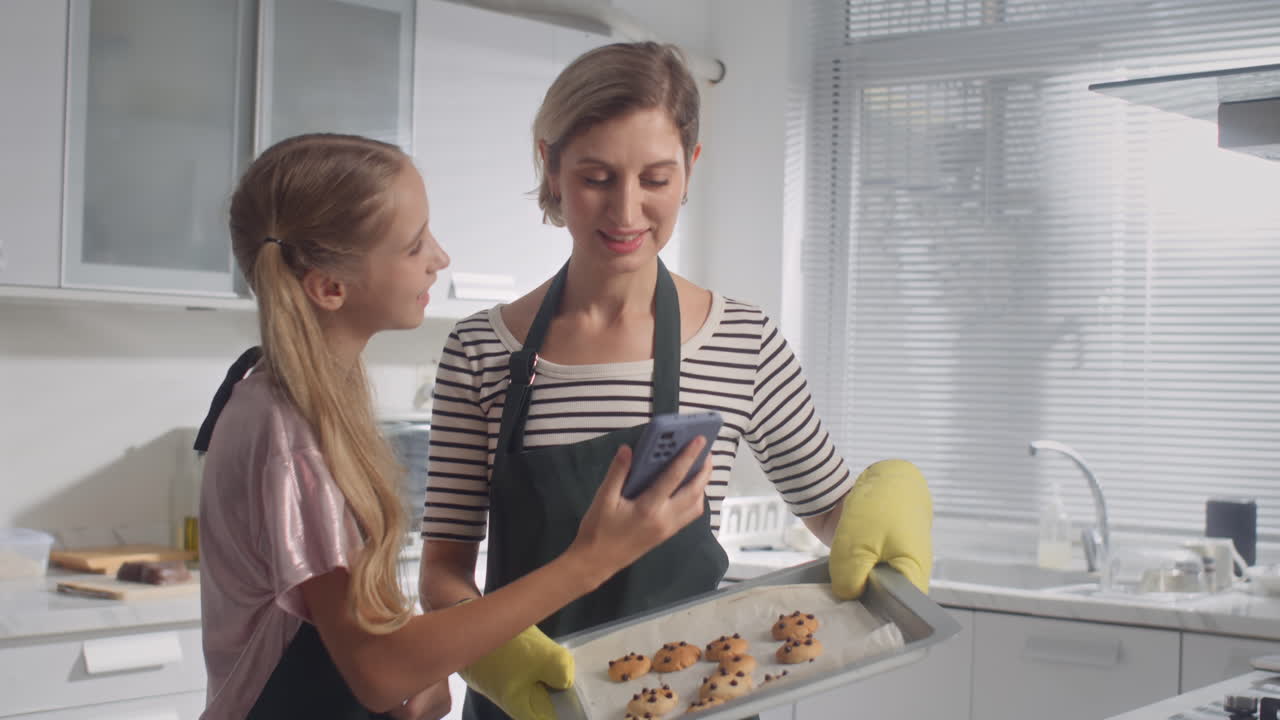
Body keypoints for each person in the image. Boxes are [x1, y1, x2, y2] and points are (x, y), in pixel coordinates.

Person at [418, 42, 935, 720]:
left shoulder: (742, 342)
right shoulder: (482, 351)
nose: (626, 211)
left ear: (690, 169)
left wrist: (886, 503)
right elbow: (443, 572)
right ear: (551, 166)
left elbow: (835, 518)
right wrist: (499, 655)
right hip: (530, 708)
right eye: (597, 177)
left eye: (655, 179)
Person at [194, 133, 714, 720]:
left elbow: (369, 645)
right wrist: (590, 560)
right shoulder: (291, 433)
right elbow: (377, 672)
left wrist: (425, 664)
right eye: (415, 245)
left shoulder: (302, 393)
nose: (439, 258)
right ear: (329, 288)